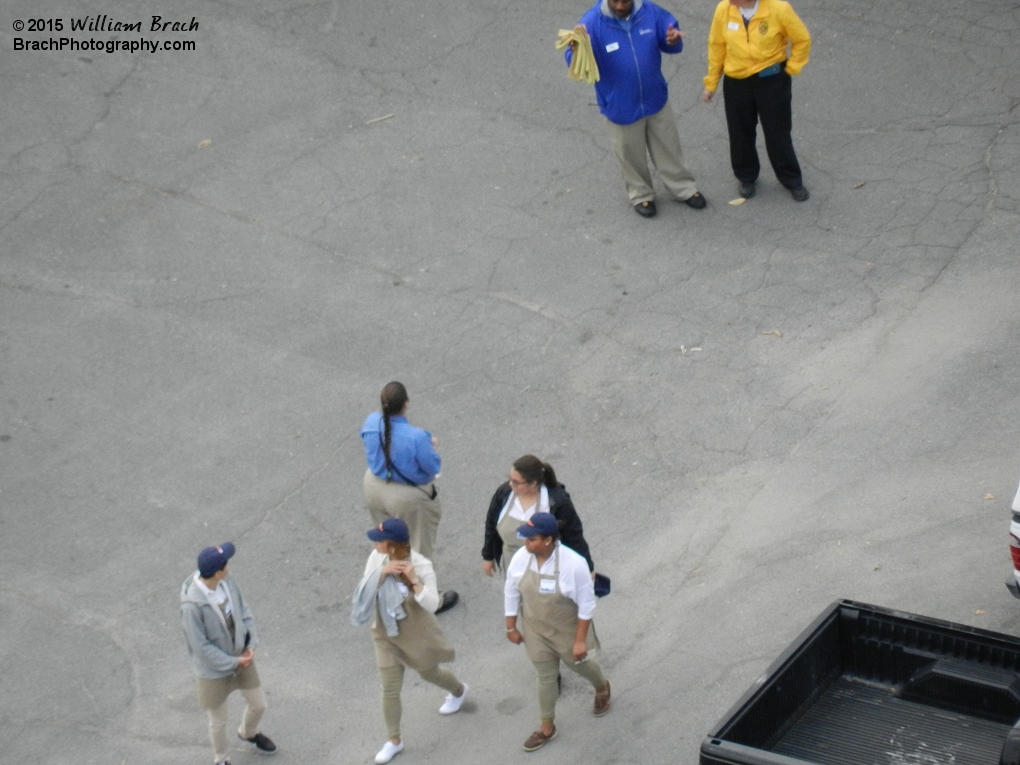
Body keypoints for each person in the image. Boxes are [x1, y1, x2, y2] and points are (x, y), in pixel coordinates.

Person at [566, 0, 707, 218]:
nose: (621, 5)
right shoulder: (590, 24)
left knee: (669, 147)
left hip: (655, 98)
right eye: (615, 1)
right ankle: (641, 194)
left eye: (625, 0)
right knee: (630, 155)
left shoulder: (650, 12)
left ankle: (683, 188)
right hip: (619, 105)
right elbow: (576, 64)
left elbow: (669, 33)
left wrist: (672, 39)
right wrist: (575, 53)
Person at [352, 517, 469, 764]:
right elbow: (365, 587)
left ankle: (458, 691)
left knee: (430, 674)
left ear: (393, 546)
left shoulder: (421, 564)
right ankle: (394, 740)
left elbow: (433, 604)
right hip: (386, 632)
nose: (375, 544)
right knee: (389, 688)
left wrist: (415, 581)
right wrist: (382, 573)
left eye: (380, 541)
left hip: (415, 633)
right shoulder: (376, 559)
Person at [504, 513, 611, 751]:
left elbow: (586, 604)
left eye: (531, 539)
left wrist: (580, 641)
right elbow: (511, 590)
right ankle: (546, 727)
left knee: (579, 664)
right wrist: (510, 625)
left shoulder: (574, 564)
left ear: (548, 540)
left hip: (567, 629)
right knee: (545, 676)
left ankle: (602, 686)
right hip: (535, 628)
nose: (525, 543)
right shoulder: (522, 558)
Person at [361, 381, 457, 613]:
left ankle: (388, 586)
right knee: (417, 547)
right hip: (407, 497)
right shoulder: (417, 437)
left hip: (374, 485)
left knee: (388, 543)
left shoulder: (372, 422)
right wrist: (431, 445)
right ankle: (421, 600)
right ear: (405, 405)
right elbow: (432, 467)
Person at [701, 0, 811, 201]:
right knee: (740, 132)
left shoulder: (779, 9)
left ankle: (791, 179)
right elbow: (717, 47)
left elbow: (801, 39)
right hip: (737, 82)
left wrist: (792, 67)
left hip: (771, 80)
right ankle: (746, 176)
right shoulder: (724, 10)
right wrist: (711, 83)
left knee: (778, 132)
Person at [180, 542, 277, 765]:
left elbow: (244, 610)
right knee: (218, 720)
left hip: (241, 656)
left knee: (259, 704)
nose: (229, 565)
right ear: (217, 572)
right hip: (213, 670)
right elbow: (200, 647)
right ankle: (221, 759)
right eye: (226, 563)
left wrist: (251, 644)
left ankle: (248, 732)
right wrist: (233, 661)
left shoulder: (227, 581)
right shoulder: (192, 606)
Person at [482, 455, 594, 576]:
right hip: (512, 564)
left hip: (547, 567)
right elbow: (491, 524)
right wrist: (488, 556)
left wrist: (587, 568)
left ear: (533, 483)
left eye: (516, 482)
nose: (510, 484)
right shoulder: (504, 494)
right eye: (510, 479)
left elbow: (574, 536)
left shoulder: (557, 502)